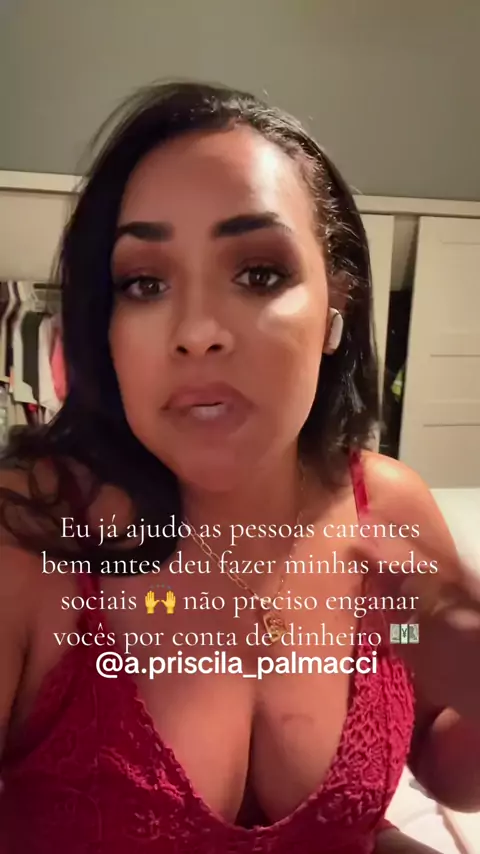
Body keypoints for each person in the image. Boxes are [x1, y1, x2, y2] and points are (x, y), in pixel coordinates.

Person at [0, 81, 479, 854]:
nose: (196, 331)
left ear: (337, 310)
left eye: (258, 273)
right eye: (144, 283)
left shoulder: (390, 510)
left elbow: (449, 772)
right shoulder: (28, 534)